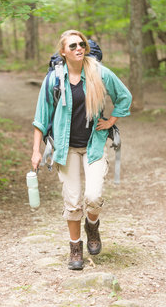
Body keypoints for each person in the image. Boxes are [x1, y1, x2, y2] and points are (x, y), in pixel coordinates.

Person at [31, 30, 132, 270]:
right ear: (63, 51)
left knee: (93, 197)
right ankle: (75, 247)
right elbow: (40, 119)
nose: (79, 48)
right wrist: (36, 151)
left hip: (94, 145)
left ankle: (92, 225)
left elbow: (124, 96)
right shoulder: (54, 79)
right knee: (73, 201)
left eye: (82, 44)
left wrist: (111, 122)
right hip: (66, 149)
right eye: (73, 45)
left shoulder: (99, 73)